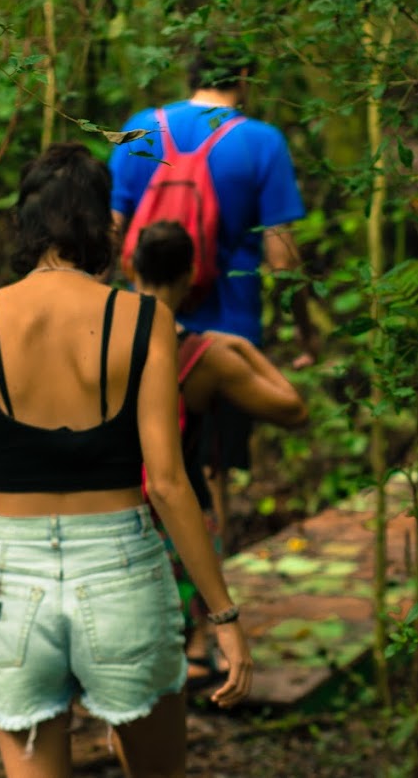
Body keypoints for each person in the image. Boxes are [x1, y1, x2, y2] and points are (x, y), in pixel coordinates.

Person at [0, 143, 252, 778]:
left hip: (12, 577)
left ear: (24, 222)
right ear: (103, 226)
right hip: (122, 575)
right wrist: (222, 615)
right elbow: (168, 485)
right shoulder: (146, 319)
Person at [109, 37, 318, 544]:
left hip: (144, 327)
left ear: (191, 75)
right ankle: (213, 589)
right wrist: (301, 329)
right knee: (211, 465)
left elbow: (111, 229)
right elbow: (282, 257)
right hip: (228, 331)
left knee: (142, 455)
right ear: (244, 78)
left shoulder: (142, 126)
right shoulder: (262, 141)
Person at [130, 220, 308, 688]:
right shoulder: (201, 354)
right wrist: (246, 350)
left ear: (131, 266)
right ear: (191, 274)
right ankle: (197, 648)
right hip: (181, 500)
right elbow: (292, 408)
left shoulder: (104, 334)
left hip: (115, 507)